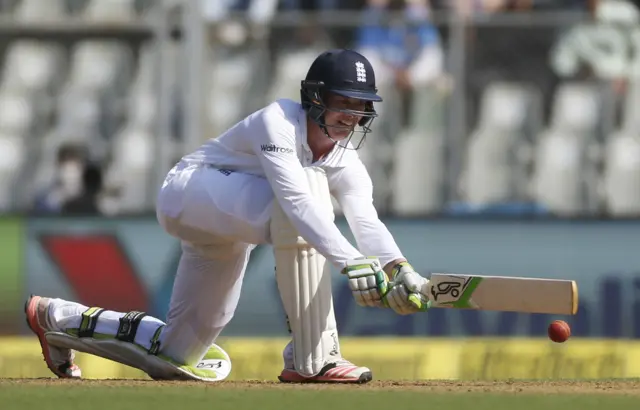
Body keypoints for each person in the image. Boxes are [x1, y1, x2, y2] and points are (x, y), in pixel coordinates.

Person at [25, 49, 432, 384]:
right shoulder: (278, 121)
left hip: (231, 227)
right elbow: (296, 203)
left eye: (361, 105)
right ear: (315, 98)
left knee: (178, 357)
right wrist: (351, 263)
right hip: (189, 192)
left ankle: (55, 318)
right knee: (308, 191)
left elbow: (367, 221)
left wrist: (399, 268)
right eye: (343, 102)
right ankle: (315, 359)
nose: (352, 115)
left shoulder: (347, 160)